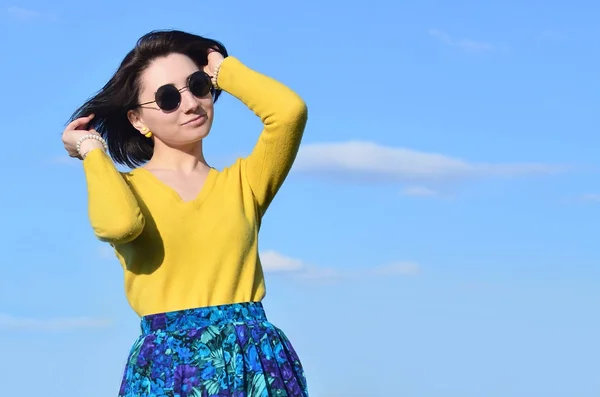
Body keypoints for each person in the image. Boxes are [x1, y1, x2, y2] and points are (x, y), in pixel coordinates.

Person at [61, 29, 309, 397]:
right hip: (171, 365)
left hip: (254, 358)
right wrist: (91, 149)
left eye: (197, 86)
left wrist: (223, 70)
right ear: (137, 120)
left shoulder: (244, 184)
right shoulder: (124, 189)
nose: (191, 104)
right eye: (167, 98)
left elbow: (288, 113)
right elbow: (120, 224)